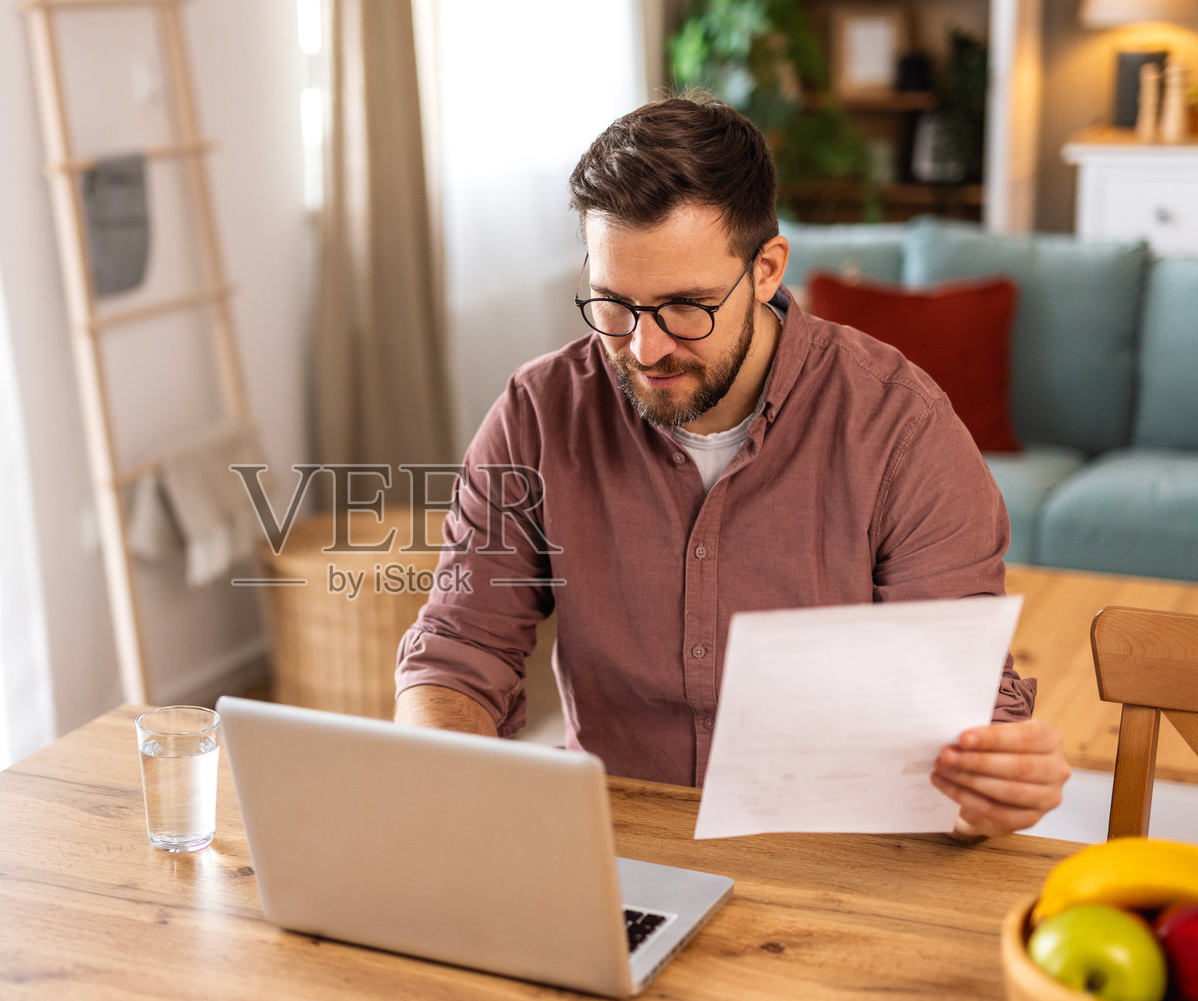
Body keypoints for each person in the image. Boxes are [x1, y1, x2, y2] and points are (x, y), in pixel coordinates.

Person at [392, 91, 1069, 841]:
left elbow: (963, 717)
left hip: (836, 858)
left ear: (767, 270)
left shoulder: (900, 430)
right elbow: (461, 648)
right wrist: (435, 775)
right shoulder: (538, 413)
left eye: (686, 307)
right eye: (614, 304)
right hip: (614, 845)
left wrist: (992, 792)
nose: (646, 349)